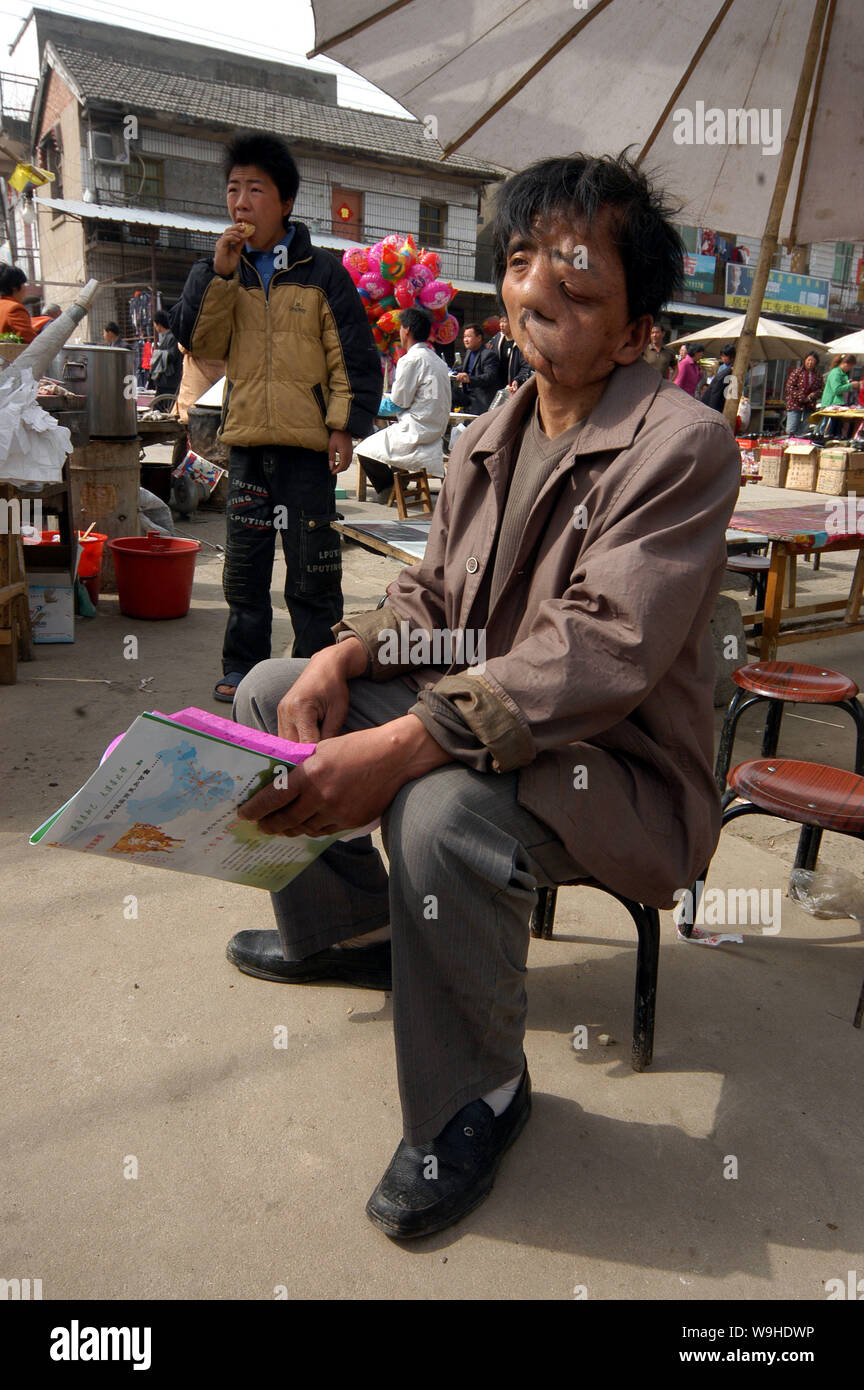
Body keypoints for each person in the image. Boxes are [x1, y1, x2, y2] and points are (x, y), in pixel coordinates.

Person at [228, 152, 739, 1239]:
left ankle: (480, 1096)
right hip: (489, 717)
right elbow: (435, 601)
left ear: (639, 330)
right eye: (520, 262)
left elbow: (602, 648)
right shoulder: (493, 431)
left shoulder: (683, 446)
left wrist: (414, 739)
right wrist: (345, 658)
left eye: (578, 278)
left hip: (619, 766)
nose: (537, 291)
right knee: (269, 689)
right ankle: (347, 926)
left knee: (439, 810)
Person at [172, 132, 381, 703]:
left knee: (314, 568)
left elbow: (353, 357)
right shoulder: (222, 273)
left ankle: (313, 667)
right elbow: (197, 341)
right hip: (247, 450)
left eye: (255, 189)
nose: (240, 203)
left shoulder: (323, 273)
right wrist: (216, 276)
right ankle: (242, 667)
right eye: (233, 189)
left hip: (307, 452)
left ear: (285, 202)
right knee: (244, 567)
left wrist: (344, 425)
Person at [354, 307, 452, 503]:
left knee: (363, 449)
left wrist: (371, 405)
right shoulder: (438, 361)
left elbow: (398, 402)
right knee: (381, 442)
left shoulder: (411, 359)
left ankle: (389, 487)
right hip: (435, 429)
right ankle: (398, 484)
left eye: (400, 328)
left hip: (415, 429)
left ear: (406, 330)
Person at [451, 323, 499, 412]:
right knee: (448, 394)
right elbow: (467, 368)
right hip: (467, 395)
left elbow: (489, 377)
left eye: (469, 336)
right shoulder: (469, 352)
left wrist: (470, 379)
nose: (465, 340)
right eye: (464, 337)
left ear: (479, 338)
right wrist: (452, 371)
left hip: (480, 399)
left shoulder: (488, 354)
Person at [488, 310, 531, 391]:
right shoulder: (496, 338)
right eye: (500, 322)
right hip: (496, 386)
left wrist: (518, 379)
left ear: (512, 322)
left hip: (513, 387)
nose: (501, 325)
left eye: (505, 322)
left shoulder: (520, 342)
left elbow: (526, 366)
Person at [817, 354, 856, 439]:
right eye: (850, 366)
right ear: (845, 364)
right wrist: (851, 385)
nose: (850, 369)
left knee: (836, 429)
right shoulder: (836, 373)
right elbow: (837, 389)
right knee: (829, 429)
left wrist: (848, 383)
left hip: (837, 404)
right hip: (831, 404)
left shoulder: (842, 373)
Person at [784, 352, 823, 435]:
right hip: (795, 404)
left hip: (809, 405)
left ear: (816, 362)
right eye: (808, 360)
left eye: (813, 361)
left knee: (804, 429)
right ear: (805, 360)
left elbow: (821, 388)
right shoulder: (797, 372)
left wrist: (813, 395)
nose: (810, 363)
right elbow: (790, 387)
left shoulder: (818, 375)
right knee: (791, 428)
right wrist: (802, 397)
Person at [149, 311, 182, 398]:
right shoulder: (167, 336)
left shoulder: (172, 337)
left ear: (159, 324)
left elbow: (172, 355)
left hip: (169, 380)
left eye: (155, 324)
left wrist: (157, 354)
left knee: (163, 405)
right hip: (165, 380)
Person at [0, 264, 35, 343]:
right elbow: (29, 341)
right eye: (24, 284)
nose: (25, 288)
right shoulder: (14, 308)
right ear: (14, 287)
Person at [701, 343, 736, 411]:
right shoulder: (722, 368)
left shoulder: (732, 368)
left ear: (731, 357)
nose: (723, 358)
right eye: (722, 356)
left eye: (725, 356)